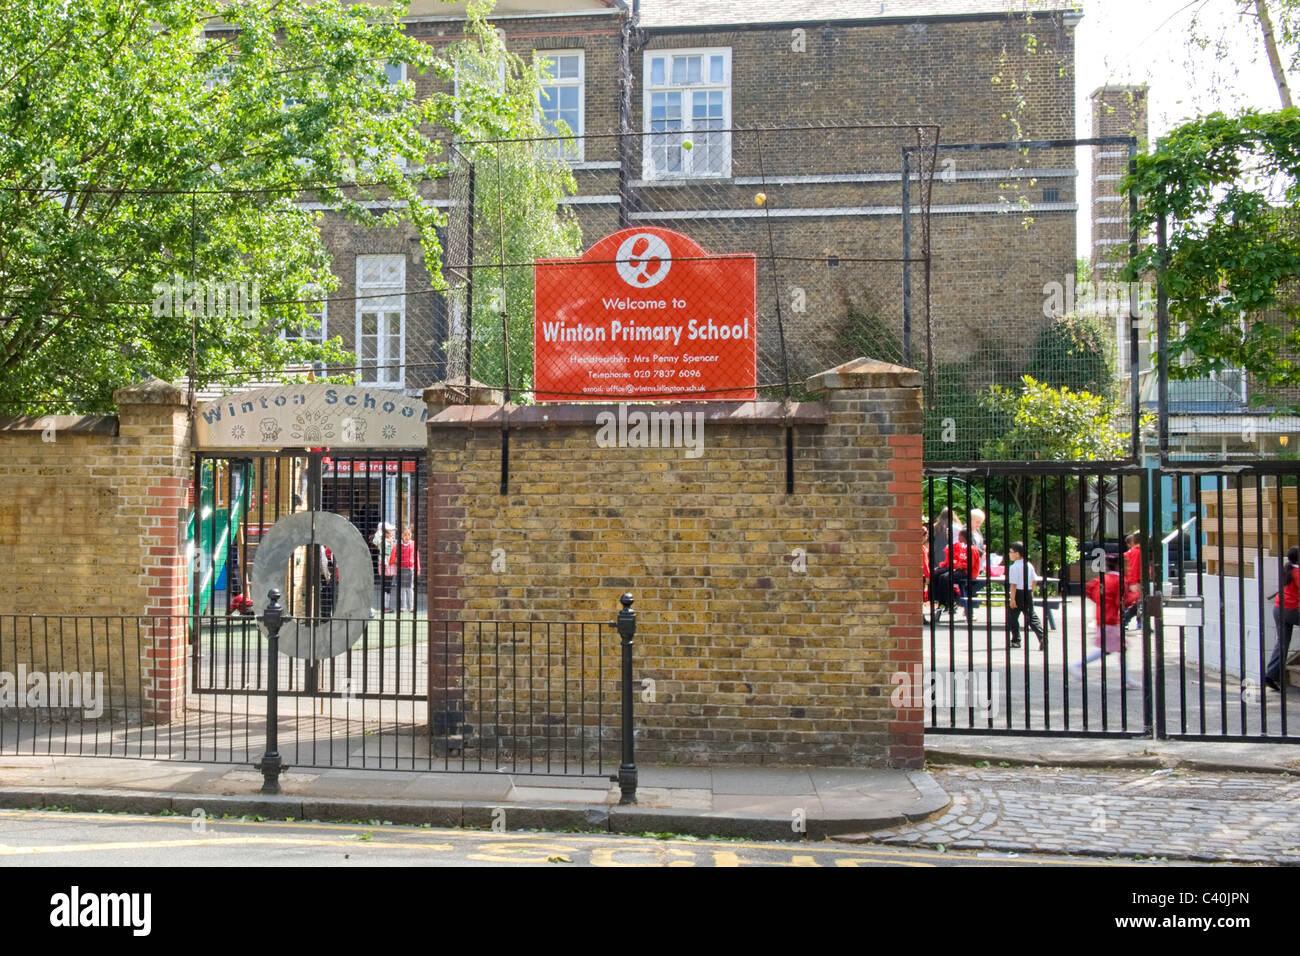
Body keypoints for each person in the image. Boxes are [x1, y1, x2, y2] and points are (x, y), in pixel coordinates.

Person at [1072, 554, 1141, 689]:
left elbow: (1088, 589)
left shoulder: (1101, 580)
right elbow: (1124, 601)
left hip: (1101, 616)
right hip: (1111, 618)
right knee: (1112, 648)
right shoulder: (1120, 580)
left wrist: (1100, 602)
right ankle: (1077, 665)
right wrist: (1137, 594)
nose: (1128, 567)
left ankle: (1127, 679)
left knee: (1114, 648)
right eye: (1126, 565)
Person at [1265, 546, 1300, 692]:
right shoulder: (1297, 572)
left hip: (1278, 609)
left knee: (1282, 643)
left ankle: (1271, 675)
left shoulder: (1288, 569)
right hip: (1290, 610)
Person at [1005, 540, 1045, 650]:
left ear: (1017, 554)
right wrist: (1031, 591)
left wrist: (1012, 599)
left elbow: (1013, 585)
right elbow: (1034, 580)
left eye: (1011, 552)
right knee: (1032, 617)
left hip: (1018, 593)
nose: (1009, 554)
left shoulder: (1014, 567)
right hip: (1027, 593)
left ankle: (1016, 640)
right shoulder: (1028, 565)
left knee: (1012, 617)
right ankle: (1042, 638)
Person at [388, 524, 422, 613]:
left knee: (410, 588)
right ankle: (403, 606)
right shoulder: (398, 545)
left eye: (408, 534)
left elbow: (416, 557)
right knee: (402, 588)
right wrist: (394, 560)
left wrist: (418, 569)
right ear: (402, 535)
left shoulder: (414, 544)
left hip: (410, 569)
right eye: (405, 534)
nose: (407, 536)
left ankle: (411, 606)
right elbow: (394, 555)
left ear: (411, 535)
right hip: (401, 569)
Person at [1120, 532, 1143, 630]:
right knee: (1139, 603)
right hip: (1136, 581)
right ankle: (1126, 619)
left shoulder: (1130, 553)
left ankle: (1127, 620)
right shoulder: (1138, 552)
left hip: (1131, 580)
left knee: (1137, 603)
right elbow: (1134, 568)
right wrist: (1134, 583)